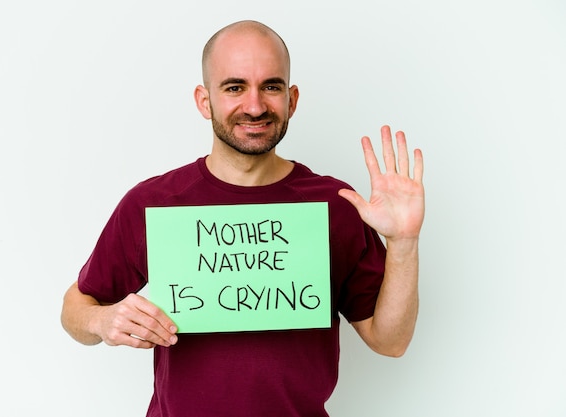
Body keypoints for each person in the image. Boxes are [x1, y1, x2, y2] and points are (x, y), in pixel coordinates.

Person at [61, 19, 424, 417]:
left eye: (271, 86)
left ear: (293, 99)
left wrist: (404, 242)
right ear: (204, 101)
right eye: (235, 87)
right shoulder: (152, 203)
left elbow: (390, 341)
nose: (255, 106)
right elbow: (75, 308)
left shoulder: (335, 205)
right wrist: (103, 319)